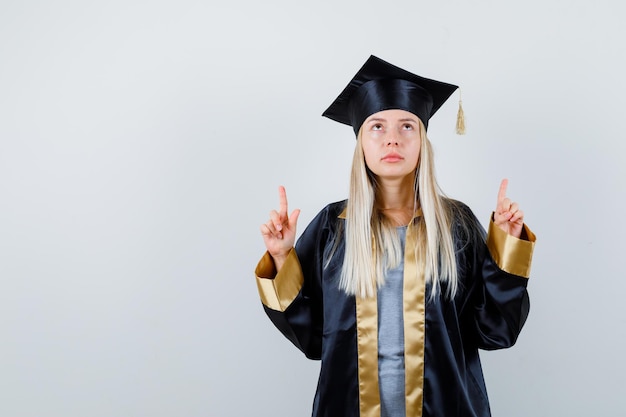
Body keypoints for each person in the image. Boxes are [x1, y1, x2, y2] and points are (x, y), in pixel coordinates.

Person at [255, 55, 536, 417]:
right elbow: (312, 338)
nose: (392, 140)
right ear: (360, 142)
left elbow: (495, 331)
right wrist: (280, 257)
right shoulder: (332, 226)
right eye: (377, 127)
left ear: (423, 141)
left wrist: (506, 249)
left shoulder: (456, 226)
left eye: (407, 126)